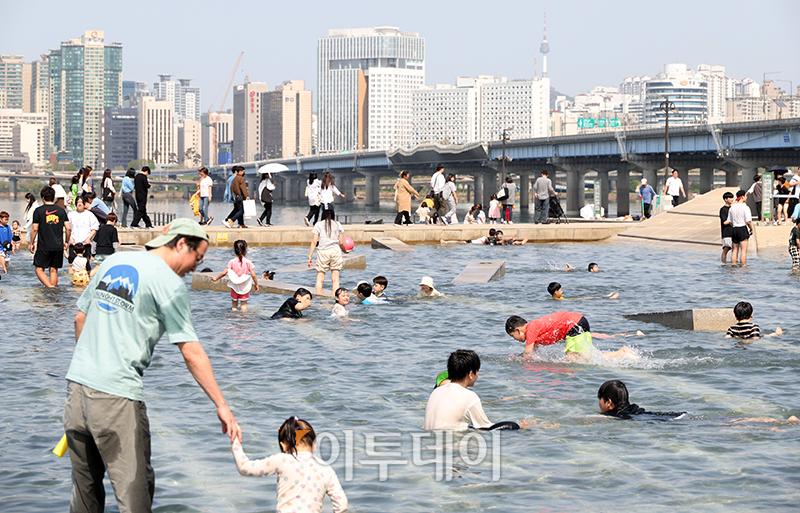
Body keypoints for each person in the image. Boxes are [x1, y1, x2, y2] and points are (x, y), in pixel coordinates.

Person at [63, 218, 241, 512]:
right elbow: (191, 351)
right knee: (135, 496)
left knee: (84, 496)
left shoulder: (112, 262)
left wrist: (89, 369)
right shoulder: (170, 284)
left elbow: (79, 319)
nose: (196, 267)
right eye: (197, 258)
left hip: (76, 394)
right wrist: (221, 404)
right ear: (181, 244)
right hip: (116, 400)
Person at [231, 416, 348, 513]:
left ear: (284, 446)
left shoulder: (282, 460)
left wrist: (234, 439)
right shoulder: (326, 468)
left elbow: (244, 468)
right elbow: (342, 506)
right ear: (314, 444)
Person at [505, 313, 637, 362]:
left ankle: (622, 354)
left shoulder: (531, 328)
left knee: (572, 359)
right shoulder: (534, 330)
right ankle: (622, 353)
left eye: (513, 336)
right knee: (590, 358)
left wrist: (517, 362)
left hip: (573, 324)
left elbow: (528, 353)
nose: (515, 339)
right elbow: (533, 351)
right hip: (579, 321)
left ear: (518, 330)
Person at [423, 350, 492, 430]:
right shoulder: (470, 397)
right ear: (470, 374)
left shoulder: (436, 392)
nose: (478, 374)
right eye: (477, 371)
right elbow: (485, 427)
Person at [29, 186, 71, 288]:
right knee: (53, 270)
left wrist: (31, 242)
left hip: (44, 245)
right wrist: (66, 241)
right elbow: (68, 228)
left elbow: (34, 228)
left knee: (39, 269)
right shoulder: (61, 211)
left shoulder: (38, 211)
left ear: (43, 197)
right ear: (54, 197)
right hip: (58, 245)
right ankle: (53, 294)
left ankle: (49, 287)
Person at [598, 380, 687, 420]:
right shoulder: (632, 409)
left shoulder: (614, 415)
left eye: (600, 398)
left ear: (609, 402)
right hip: (672, 416)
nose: (599, 402)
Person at [211, 239, 259, 311]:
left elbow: (224, 272)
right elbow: (253, 275)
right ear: (245, 250)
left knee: (234, 305)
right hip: (244, 287)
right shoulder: (248, 262)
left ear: (235, 250)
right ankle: (244, 319)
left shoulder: (232, 261)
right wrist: (256, 284)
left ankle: (233, 320)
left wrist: (216, 278)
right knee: (244, 305)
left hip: (234, 286)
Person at [308, 210, 347, 295]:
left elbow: (314, 242)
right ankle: (335, 297)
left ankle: (318, 298)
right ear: (333, 213)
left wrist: (310, 256)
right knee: (336, 279)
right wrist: (345, 251)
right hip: (335, 251)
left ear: (323, 213)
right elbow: (341, 242)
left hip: (323, 251)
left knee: (319, 279)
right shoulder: (338, 224)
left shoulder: (318, 225)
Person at [67, 196, 99, 273]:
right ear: (75, 204)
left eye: (81, 202)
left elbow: (95, 228)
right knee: (71, 263)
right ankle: (71, 279)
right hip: (74, 242)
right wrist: (70, 238)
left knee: (86, 262)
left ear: (84, 204)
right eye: (78, 203)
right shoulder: (70, 214)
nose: (80, 204)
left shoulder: (89, 214)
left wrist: (89, 238)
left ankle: (86, 279)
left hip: (85, 242)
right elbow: (66, 228)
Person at [727, 190, 753, 266]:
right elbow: (748, 222)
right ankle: (743, 266)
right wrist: (751, 229)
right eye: (745, 196)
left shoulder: (732, 208)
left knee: (734, 250)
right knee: (743, 250)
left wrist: (734, 226)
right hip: (742, 228)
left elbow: (730, 221)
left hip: (734, 229)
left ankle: (734, 266)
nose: (746, 197)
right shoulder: (746, 208)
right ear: (742, 197)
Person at [547, 282, 618, 300]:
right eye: (561, 290)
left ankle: (606, 296)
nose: (562, 292)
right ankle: (609, 298)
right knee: (589, 298)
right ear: (556, 292)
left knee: (590, 298)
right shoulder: (559, 300)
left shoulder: (557, 298)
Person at [719, 191, 734, 263]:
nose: (732, 199)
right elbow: (724, 222)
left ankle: (733, 262)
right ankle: (723, 262)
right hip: (726, 232)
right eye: (730, 198)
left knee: (735, 249)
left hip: (734, 231)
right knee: (726, 248)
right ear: (725, 199)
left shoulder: (733, 208)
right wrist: (732, 221)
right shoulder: (723, 209)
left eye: (732, 198)